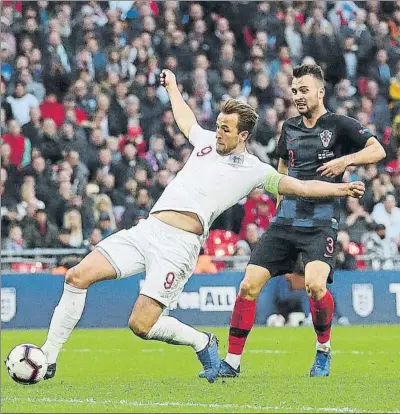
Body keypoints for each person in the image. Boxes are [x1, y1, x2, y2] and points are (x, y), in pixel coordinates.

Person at [40, 69, 366, 384]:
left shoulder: (255, 170)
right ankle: (48, 358)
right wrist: (172, 89)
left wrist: (341, 189)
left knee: (140, 325)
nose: (219, 132)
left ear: (243, 135)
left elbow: (302, 187)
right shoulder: (206, 141)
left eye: (226, 129)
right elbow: (186, 119)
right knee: (76, 276)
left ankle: (201, 342)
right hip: (147, 231)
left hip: (179, 248)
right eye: (219, 125)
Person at [218, 63, 385, 378]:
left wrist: (344, 160)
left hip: (320, 222)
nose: (297, 96)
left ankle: (323, 350)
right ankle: (232, 362)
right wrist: (280, 195)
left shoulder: (340, 125)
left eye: (304, 90)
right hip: (286, 221)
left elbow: (377, 150)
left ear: (320, 92)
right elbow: (282, 163)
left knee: (314, 286)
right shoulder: (290, 127)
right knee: (248, 285)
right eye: (294, 90)